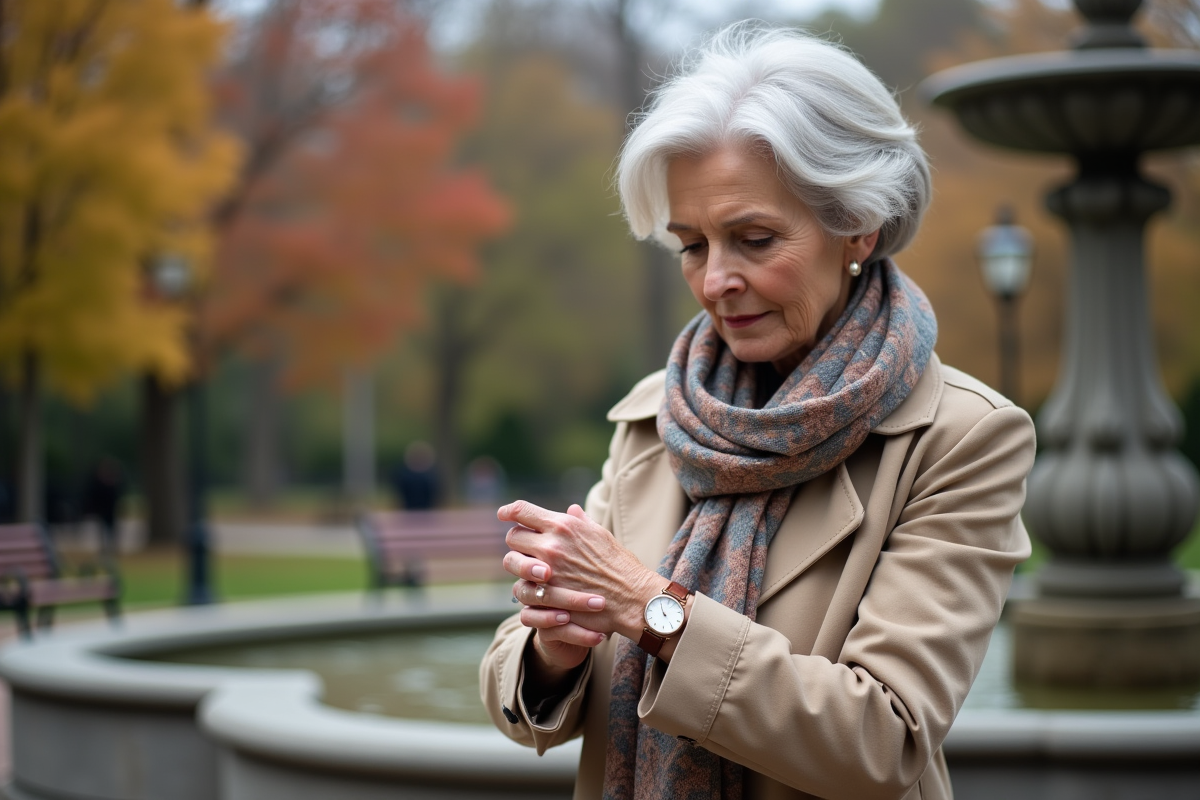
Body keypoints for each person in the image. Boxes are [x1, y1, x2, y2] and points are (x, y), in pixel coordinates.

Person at [481, 24, 1034, 800]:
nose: (715, 282)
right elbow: (524, 699)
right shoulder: (657, 415)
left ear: (858, 225)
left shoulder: (964, 438)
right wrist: (555, 650)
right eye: (693, 244)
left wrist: (650, 608)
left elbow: (883, 740)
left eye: (753, 238)